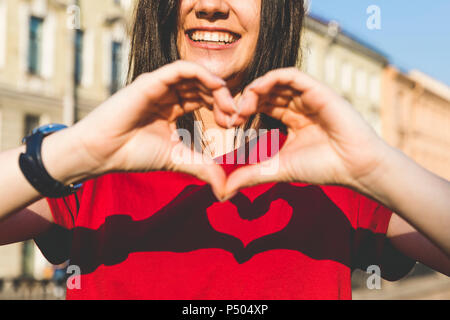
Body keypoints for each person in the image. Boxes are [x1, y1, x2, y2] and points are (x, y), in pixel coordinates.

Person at [0, 0, 449, 300]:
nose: (212, 6)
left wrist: (375, 167)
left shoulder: (330, 168)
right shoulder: (92, 162)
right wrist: (74, 151)